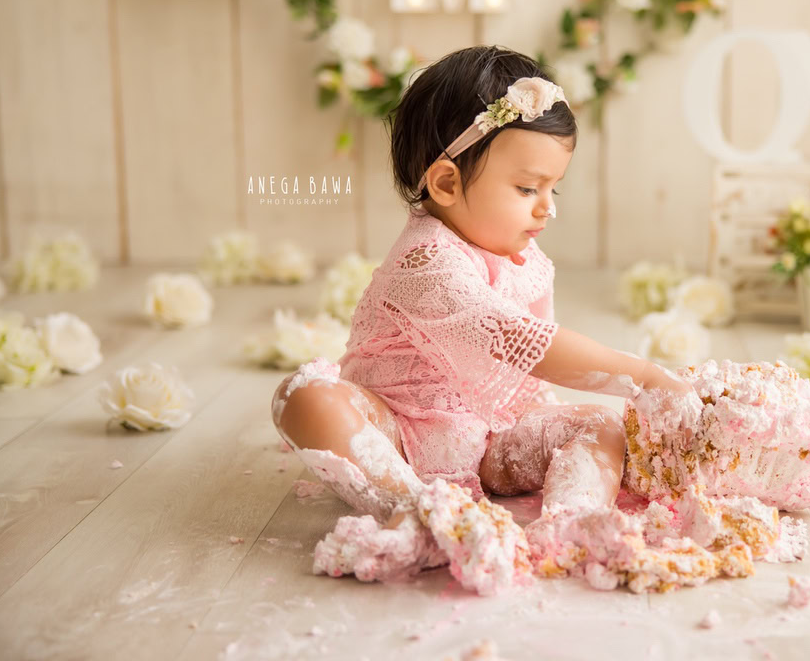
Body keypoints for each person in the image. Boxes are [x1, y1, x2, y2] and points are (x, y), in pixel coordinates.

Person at [271, 45, 693, 526]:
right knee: (305, 396)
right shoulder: (425, 261)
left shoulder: (522, 257)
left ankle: (577, 522)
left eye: (553, 188)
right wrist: (643, 376)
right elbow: (526, 343)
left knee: (601, 424)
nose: (547, 207)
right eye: (526, 188)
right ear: (447, 183)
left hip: (492, 436)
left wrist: (543, 425)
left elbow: (532, 374)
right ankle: (413, 511)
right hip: (399, 431)